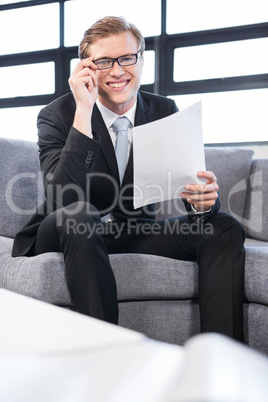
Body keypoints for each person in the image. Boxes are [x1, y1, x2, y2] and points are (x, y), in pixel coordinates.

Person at [12, 16, 245, 342]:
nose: (118, 71)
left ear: (142, 59)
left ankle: (223, 357)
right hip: (67, 226)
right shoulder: (57, 115)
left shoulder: (164, 108)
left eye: (126, 58)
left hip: (130, 227)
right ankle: (106, 354)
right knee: (81, 212)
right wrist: (84, 109)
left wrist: (201, 200)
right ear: (86, 68)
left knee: (221, 226)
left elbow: (185, 177)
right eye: (104, 61)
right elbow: (64, 197)